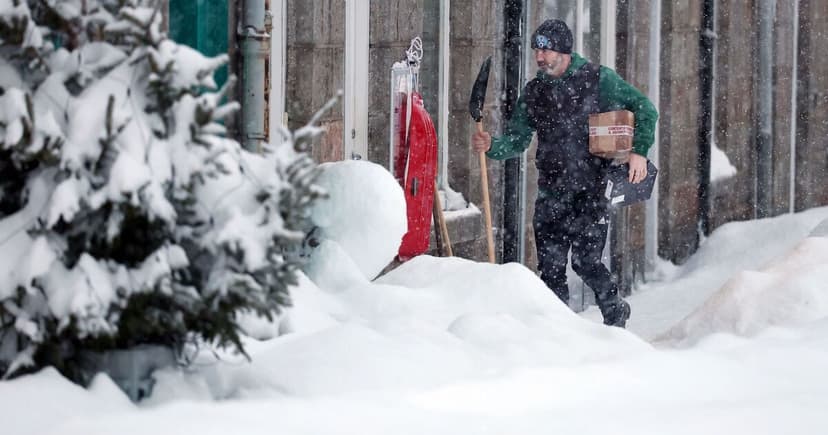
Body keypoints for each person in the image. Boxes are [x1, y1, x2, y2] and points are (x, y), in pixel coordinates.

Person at [471, 19, 658, 327]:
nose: (539, 57)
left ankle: (616, 314)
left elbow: (645, 109)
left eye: (546, 50)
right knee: (551, 270)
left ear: (564, 51)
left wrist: (639, 151)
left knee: (586, 263)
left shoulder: (598, 79)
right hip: (551, 195)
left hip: (591, 193)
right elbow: (518, 140)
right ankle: (558, 333)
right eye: (536, 51)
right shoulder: (535, 92)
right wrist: (492, 145)